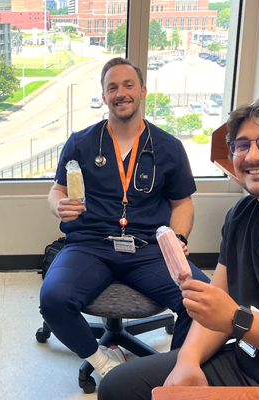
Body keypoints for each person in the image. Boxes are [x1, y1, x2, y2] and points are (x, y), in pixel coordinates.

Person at [98, 96, 259, 400]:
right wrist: (188, 361)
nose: (252, 156)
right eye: (242, 145)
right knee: (119, 386)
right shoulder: (243, 215)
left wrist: (241, 320)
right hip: (248, 360)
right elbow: (217, 304)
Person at [39, 57, 210, 378]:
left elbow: (182, 204)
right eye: (112, 87)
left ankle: (172, 371)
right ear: (104, 97)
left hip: (149, 249)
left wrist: (179, 238)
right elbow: (57, 190)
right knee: (52, 299)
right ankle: (103, 362)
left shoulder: (168, 147)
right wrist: (58, 205)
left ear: (143, 91)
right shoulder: (81, 143)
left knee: (203, 301)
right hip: (90, 244)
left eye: (128, 85)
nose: (121, 93)